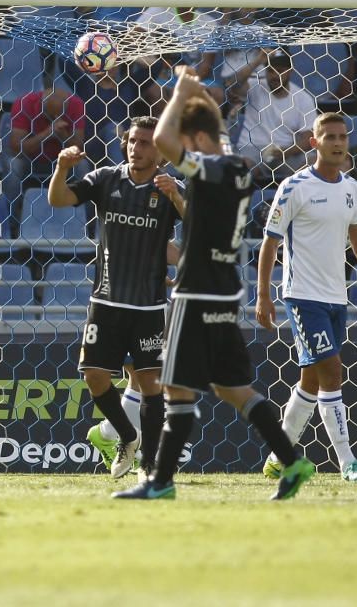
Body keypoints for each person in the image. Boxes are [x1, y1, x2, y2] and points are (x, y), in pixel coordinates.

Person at [113, 67, 316, 501]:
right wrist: (203, 107)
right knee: (232, 388)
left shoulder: (209, 167)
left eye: (189, 142)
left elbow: (166, 142)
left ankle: (160, 482)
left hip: (198, 292)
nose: (182, 149)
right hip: (225, 291)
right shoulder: (238, 169)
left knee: (176, 389)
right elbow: (203, 136)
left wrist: (182, 91)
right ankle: (292, 460)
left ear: (198, 141)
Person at [257, 112, 357, 482]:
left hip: (337, 296)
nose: (338, 143)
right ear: (314, 142)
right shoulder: (294, 187)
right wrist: (263, 295)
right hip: (302, 296)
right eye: (330, 136)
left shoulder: (352, 189)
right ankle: (348, 462)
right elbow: (269, 243)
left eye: (342, 136)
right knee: (332, 372)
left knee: (311, 379)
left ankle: (278, 457)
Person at [48, 116, 185, 479]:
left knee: (151, 382)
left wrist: (176, 194)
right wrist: (62, 168)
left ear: (160, 150)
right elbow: (59, 199)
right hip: (106, 301)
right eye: (132, 141)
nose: (136, 148)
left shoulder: (168, 187)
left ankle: (151, 464)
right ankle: (127, 436)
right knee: (94, 377)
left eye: (144, 143)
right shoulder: (105, 179)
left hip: (149, 304)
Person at [2, 86, 86, 231]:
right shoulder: (24, 103)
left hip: (61, 163)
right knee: (13, 165)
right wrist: (48, 133)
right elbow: (16, 148)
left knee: (83, 166)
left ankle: (88, 223)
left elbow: (78, 149)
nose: (55, 118)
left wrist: (63, 136)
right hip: (29, 161)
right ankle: (8, 224)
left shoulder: (76, 105)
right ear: (41, 105)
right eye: (50, 115)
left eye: (59, 115)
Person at [231, 48, 317, 182]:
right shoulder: (255, 86)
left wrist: (286, 152)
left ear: (290, 70)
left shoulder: (303, 98)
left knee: (314, 165)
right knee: (240, 173)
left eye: (281, 70)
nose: (276, 75)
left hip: (285, 150)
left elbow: (309, 138)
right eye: (271, 70)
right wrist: (257, 61)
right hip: (251, 149)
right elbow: (234, 85)